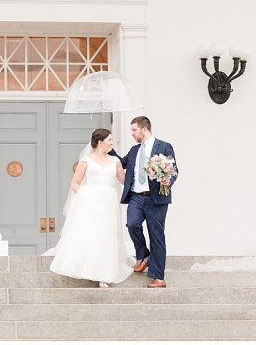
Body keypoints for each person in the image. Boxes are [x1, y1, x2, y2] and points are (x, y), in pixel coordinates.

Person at [48, 128, 133, 287]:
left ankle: (104, 274)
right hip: (89, 202)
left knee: (106, 235)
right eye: (109, 140)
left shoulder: (115, 161)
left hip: (108, 202)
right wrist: (84, 195)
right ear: (100, 142)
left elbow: (124, 181)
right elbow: (75, 183)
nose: (112, 143)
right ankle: (84, 267)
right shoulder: (86, 160)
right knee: (90, 234)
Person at [109, 116, 178, 288]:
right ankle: (143, 255)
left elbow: (174, 170)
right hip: (136, 197)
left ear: (144, 129)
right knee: (132, 224)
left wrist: (166, 179)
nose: (132, 133)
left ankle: (158, 277)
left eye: (134, 130)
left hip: (157, 198)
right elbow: (121, 162)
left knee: (156, 235)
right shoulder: (134, 150)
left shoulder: (164, 146)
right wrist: (107, 148)